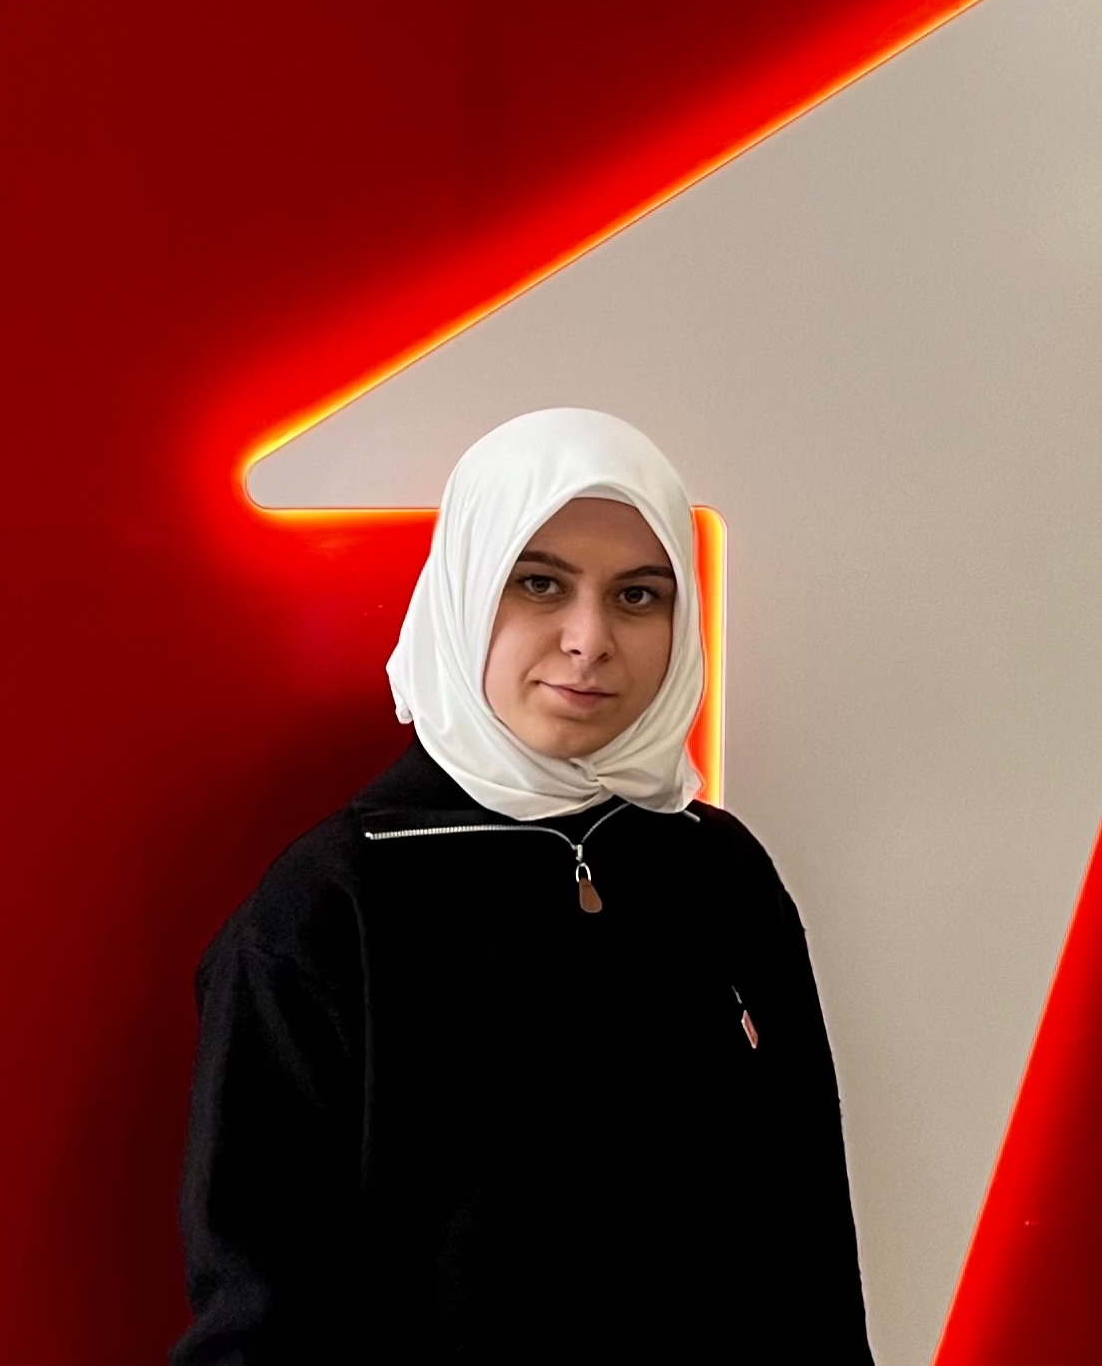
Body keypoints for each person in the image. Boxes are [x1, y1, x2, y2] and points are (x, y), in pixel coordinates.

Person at [174, 409, 871, 1363]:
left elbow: (811, 1241)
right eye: (539, 583)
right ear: (465, 589)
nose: (590, 640)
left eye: (638, 596)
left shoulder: (719, 871)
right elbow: (260, 1322)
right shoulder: (331, 908)